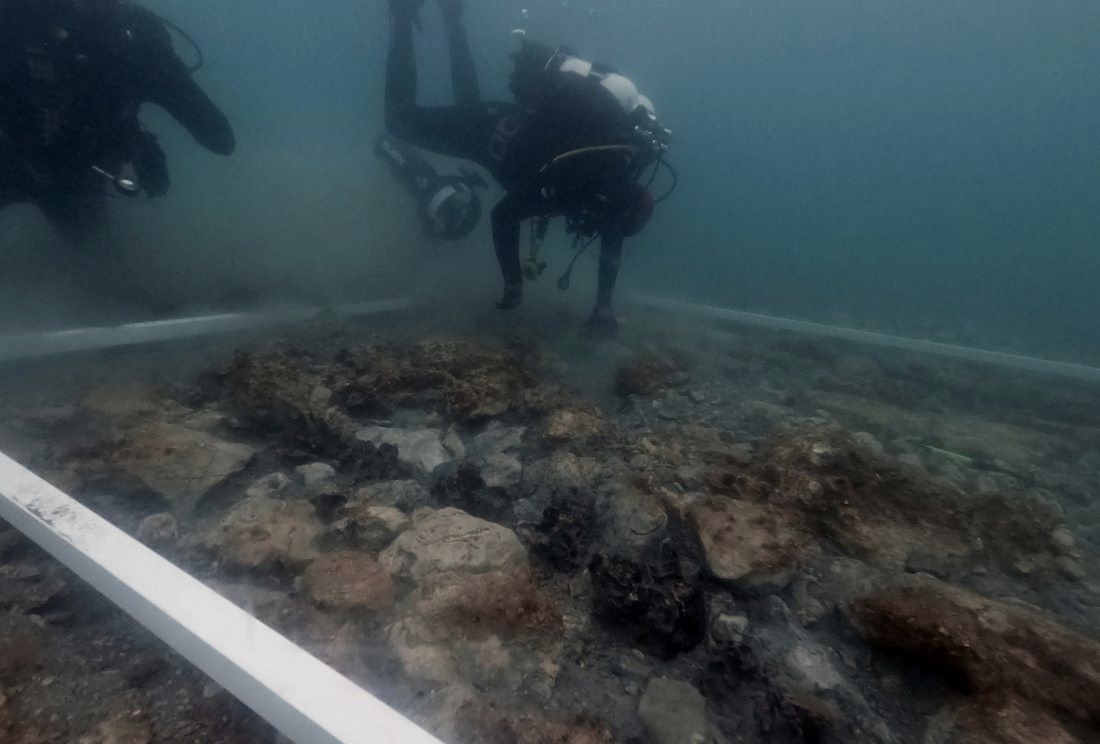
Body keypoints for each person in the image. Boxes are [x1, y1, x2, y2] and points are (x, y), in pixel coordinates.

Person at [385, 0, 671, 336]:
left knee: (468, 105)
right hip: (487, 136)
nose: (600, 230)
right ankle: (403, 14)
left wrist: (603, 306)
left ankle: (451, 15)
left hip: (503, 124)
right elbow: (503, 216)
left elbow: (611, 242)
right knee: (400, 122)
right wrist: (513, 285)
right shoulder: (579, 190)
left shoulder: (610, 175)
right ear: (615, 209)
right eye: (609, 224)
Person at [0, 0, 235, 243]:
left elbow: (219, 138)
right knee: (93, 262)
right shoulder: (135, 34)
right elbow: (219, 137)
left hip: (72, 175)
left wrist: (134, 135)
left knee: (92, 263)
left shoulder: (136, 35)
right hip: (34, 162)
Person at [374, 132, 487, 242]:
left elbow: (426, 219)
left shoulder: (432, 199)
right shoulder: (433, 198)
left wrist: (431, 232)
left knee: (406, 167)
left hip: (425, 181)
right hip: (426, 180)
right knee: (406, 166)